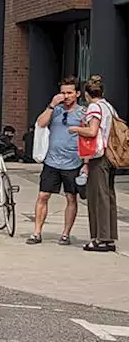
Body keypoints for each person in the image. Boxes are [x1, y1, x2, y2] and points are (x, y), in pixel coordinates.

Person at [26, 77, 83, 245]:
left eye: (69, 93)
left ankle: (65, 233)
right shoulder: (55, 110)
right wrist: (52, 105)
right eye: (63, 92)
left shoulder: (83, 113)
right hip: (52, 160)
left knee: (71, 197)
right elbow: (41, 123)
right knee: (43, 195)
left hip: (73, 161)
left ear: (77, 94)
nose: (66, 96)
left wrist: (85, 162)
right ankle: (37, 232)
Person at [71, 75, 119, 252]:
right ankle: (109, 236)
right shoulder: (109, 107)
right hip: (111, 155)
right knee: (108, 196)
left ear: (86, 94)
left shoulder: (94, 107)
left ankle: (100, 238)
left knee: (97, 197)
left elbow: (92, 131)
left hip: (99, 156)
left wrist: (76, 129)